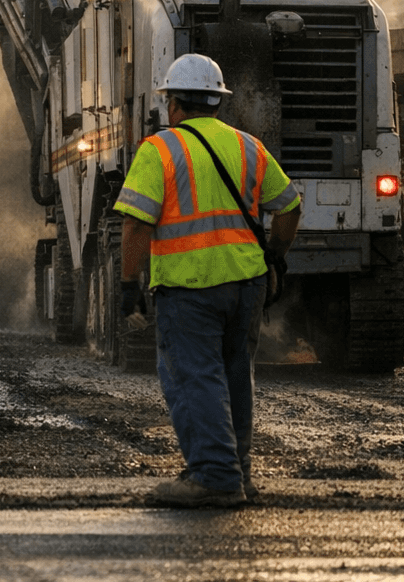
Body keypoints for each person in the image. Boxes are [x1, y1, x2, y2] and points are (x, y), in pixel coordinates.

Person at [113, 53, 301, 508]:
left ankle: (215, 476)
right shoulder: (248, 146)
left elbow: (136, 225)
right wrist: (274, 257)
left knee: (194, 378)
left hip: (190, 288)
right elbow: (290, 206)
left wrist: (127, 287)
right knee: (236, 375)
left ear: (173, 103)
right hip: (248, 286)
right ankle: (238, 472)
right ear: (217, 102)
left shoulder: (159, 150)